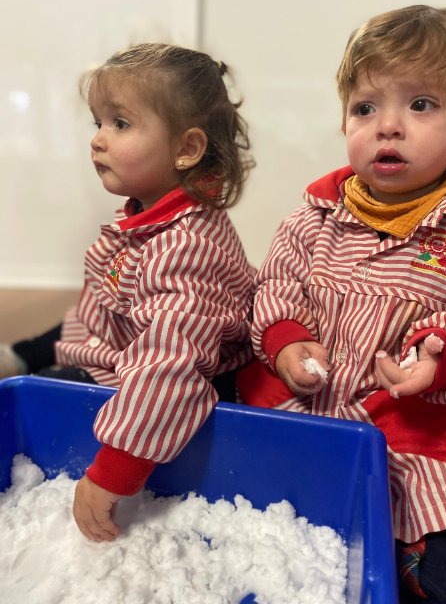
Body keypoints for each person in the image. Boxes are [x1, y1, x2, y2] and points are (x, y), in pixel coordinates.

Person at [237, 5, 446, 603]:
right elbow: (277, 285)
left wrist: (440, 356)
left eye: (420, 105)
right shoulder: (315, 215)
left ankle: (411, 554)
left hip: (416, 437)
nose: (387, 127)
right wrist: (287, 341)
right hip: (310, 411)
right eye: (365, 108)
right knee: (251, 506)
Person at [0, 43, 256, 542]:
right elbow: (102, 308)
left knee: (51, 391)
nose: (97, 139)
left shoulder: (186, 248)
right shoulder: (145, 217)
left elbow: (170, 367)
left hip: (172, 379)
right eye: (97, 122)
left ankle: (35, 362)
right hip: (119, 340)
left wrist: (114, 470)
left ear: (187, 149)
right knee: (85, 314)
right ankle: (25, 353)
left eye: (120, 124)